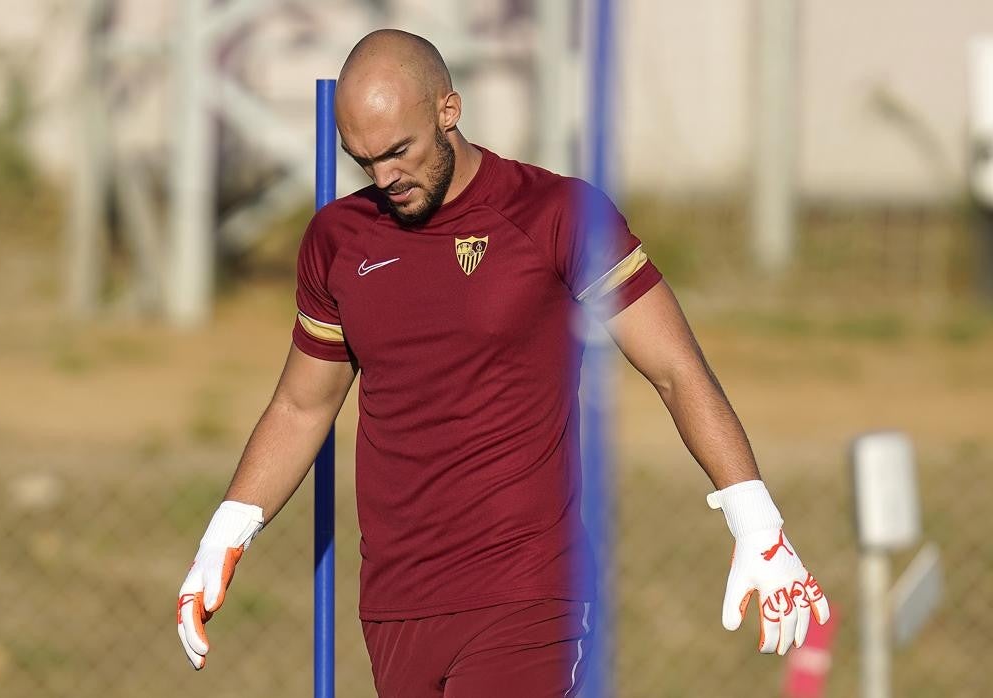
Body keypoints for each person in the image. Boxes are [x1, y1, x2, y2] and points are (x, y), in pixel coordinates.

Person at [176, 29, 829, 696]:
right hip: (397, 606)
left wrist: (756, 522)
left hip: (526, 597)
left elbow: (676, 368)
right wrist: (227, 530)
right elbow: (302, 404)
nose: (384, 178)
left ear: (448, 111)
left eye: (398, 152)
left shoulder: (555, 215)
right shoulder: (337, 240)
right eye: (362, 160)